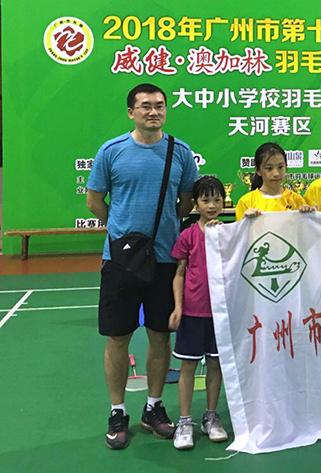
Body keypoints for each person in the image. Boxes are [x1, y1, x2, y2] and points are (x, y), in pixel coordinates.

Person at [87, 83, 199, 449]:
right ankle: (117, 411)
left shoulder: (181, 152)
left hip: (165, 260)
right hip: (120, 262)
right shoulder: (112, 151)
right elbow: (94, 201)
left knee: (160, 335)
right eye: (146, 106)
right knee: (118, 337)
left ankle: (153, 407)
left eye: (160, 106)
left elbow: (185, 203)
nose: (154, 112)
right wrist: (121, 233)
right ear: (131, 112)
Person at [168, 176, 228, 450]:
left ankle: (211, 417)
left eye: (217, 199)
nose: (212, 205)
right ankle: (184, 422)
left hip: (220, 314)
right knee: (188, 367)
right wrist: (178, 307)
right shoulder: (187, 235)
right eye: (206, 200)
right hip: (193, 313)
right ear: (196, 204)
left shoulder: (229, 234)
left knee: (215, 365)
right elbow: (179, 274)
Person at [235, 142, 313, 220]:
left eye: (280, 167)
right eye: (269, 168)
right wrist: (245, 220)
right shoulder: (246, 202)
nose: (276, 173)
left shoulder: (297, 200)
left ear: (286, 166)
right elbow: (240, 227)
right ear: (258, 170)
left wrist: (307, 216)